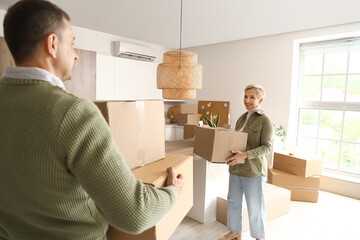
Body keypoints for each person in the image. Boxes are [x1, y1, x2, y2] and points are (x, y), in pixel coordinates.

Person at [0, 0, 184, 239]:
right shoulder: (73, 113)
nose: (75, 56)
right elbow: (135, 214)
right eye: (72, 43)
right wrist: (173, 192)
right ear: (53, 44)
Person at [219, 84, 274, 240]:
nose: (247, 100)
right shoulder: (242, 117)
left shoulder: (265, 120)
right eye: (245, 96)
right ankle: (235, 232)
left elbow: (267, 147)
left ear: (260, 100)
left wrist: (245, 155)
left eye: (252, 97)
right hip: (236, 168)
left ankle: (259, 237)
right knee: (233, 201)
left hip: (253, 171)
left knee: (255, 206)